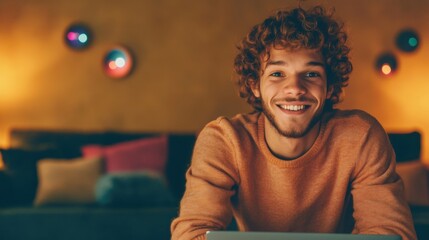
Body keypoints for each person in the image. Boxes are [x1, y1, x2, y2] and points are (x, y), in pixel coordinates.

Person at [171, 5, 417, 240]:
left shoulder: (361, 136)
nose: (295, 89)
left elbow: (392, 233)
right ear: (254, 85)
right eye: (277, 74)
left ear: (330, 87)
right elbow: (190, 233)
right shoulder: (224, 140)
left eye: (311, 74)